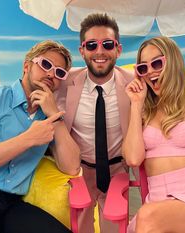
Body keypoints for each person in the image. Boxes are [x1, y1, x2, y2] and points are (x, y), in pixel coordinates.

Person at [123, 36, 185, 233]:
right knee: (149, 217)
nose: (150, 72)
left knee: (148, 218)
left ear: (173, 63)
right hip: (160, 199)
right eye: (143, 68)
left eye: (157, 63)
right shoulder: (141, 115)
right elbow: (133, 159)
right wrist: (135, 104)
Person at [0, 40, 80, 233]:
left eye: (59, 72)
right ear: (27, 66)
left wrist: (55, 116)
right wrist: (29, 138)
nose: (52, 74)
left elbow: (71, 166)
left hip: (12, 205)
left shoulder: (49, 117)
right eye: (46, 65)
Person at [54, 13, 133, 233]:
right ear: (82, 51)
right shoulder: (64, 81)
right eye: (91, 45)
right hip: (80, 170)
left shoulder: (135, 82)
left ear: (118, 49)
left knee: (117, 227)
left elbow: (167, 91)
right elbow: (32, 85)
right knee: (79, 228)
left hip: (119, 169)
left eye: (107, 44)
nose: (99, 51)